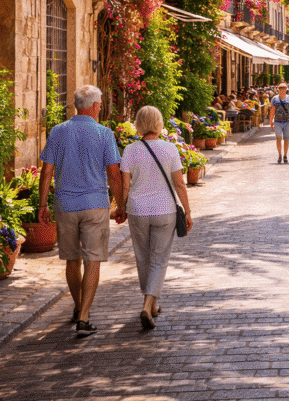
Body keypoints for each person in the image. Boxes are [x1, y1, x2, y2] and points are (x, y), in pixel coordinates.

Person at [38, 85, 123, 337]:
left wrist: (42, 204)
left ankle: (77, 306)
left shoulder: (58, 132)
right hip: (95, 205)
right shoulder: (104, 134)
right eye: (100, 105)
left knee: (72, 259)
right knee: (92, 260)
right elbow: (114, 173)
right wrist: (121, 205)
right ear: (96, 106)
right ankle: (84, 316)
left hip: (65, 205)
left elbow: (47, 171)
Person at [119, 106, 193, 330]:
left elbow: (125, 186)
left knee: (142, 257)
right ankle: (148, 304)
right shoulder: (169, 148)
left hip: (138, 210)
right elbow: (179, 183)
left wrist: (122, 208)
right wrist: (188, 211)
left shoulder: (130, 150)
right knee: (159, 259)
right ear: (160, 123)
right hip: (164, 210)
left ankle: (150, 303)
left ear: (139, 124)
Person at [269, 83, 289, 164]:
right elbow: (272, 109)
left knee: (286, 139)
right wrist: (271, 120)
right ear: (278, 90)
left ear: (286, 90)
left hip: (287, 121)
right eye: (281, 89)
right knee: (278, 138)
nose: (282, 90)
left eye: (284, 89)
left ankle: (285, 155)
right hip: (277, 121)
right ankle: (280, 154)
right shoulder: (275, 99)